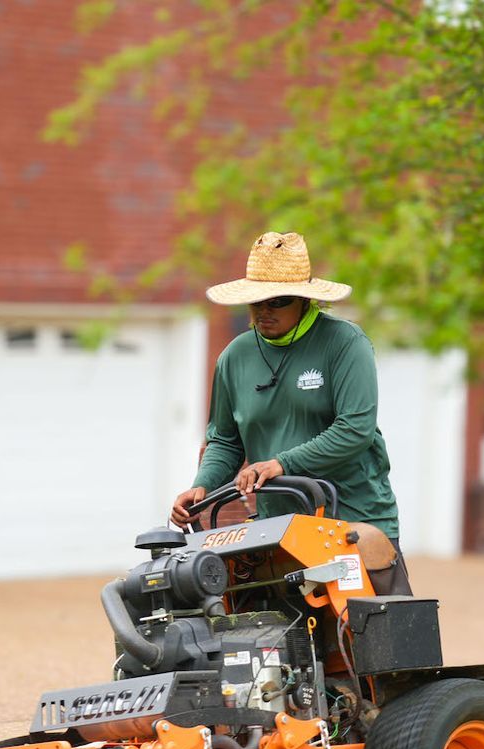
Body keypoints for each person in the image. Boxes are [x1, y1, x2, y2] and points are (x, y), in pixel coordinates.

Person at [170, 231, 412, 595]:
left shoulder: (345, 344)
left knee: (372, 641)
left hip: (352, 517)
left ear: (304, 300)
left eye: (278, 301)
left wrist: (280, 463)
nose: (264, 312)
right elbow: (224, 440)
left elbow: (355, 429)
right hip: (279, 523)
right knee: (278, 639)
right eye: (256, 302)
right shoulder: (234, 358)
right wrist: (201, 486)